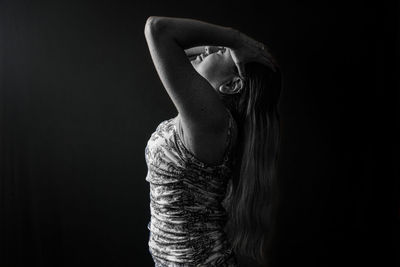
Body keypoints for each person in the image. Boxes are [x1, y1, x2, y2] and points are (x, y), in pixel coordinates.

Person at [144, 16, 282, 266]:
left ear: (231, 85)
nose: (208, 49)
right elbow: (177, 52)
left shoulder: (212, 122)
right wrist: (227, 51)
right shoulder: (208, 120)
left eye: (219, 52)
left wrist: (235, 39)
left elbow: (159, 30)